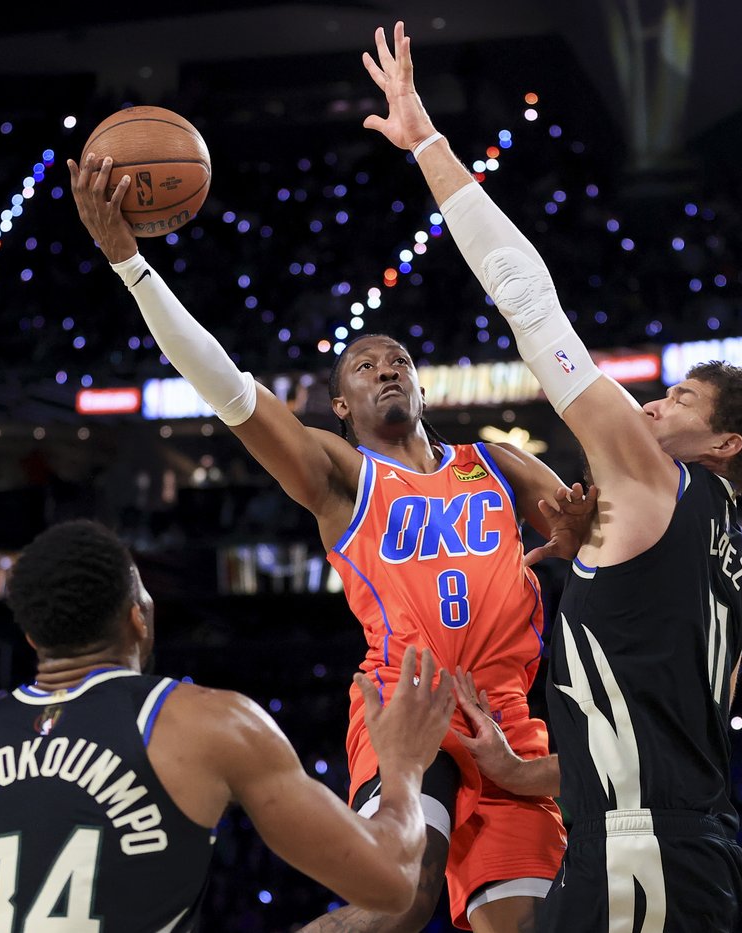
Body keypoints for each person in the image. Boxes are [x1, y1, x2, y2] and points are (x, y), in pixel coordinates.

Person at [70, 151, 599, 933]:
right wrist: (131, 265)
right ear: (340, 407)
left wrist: (584, 532)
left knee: (520, 925)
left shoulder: (496, 461)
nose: (385, 369)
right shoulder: (340, 476)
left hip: (511, 715)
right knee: (403, 895)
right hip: (409, 700)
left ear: (421, 388)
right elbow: (229, 389)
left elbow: (593, 537)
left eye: (399, 362)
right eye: (364, 365)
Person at [359, 21, 742, 932]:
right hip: (675, 845)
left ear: (722, 447)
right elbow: (660, 739)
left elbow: (527, 298)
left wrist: (427, 145)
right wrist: (524, 775)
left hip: (644, 854)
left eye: (677, 399)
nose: (647, 409)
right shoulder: (729, 567)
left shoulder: (651, 476)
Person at [0, 518, 456, 933]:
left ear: (34, 640)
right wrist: (403, 764)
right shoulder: (203, 722)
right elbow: (391, 884)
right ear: (139, 615)